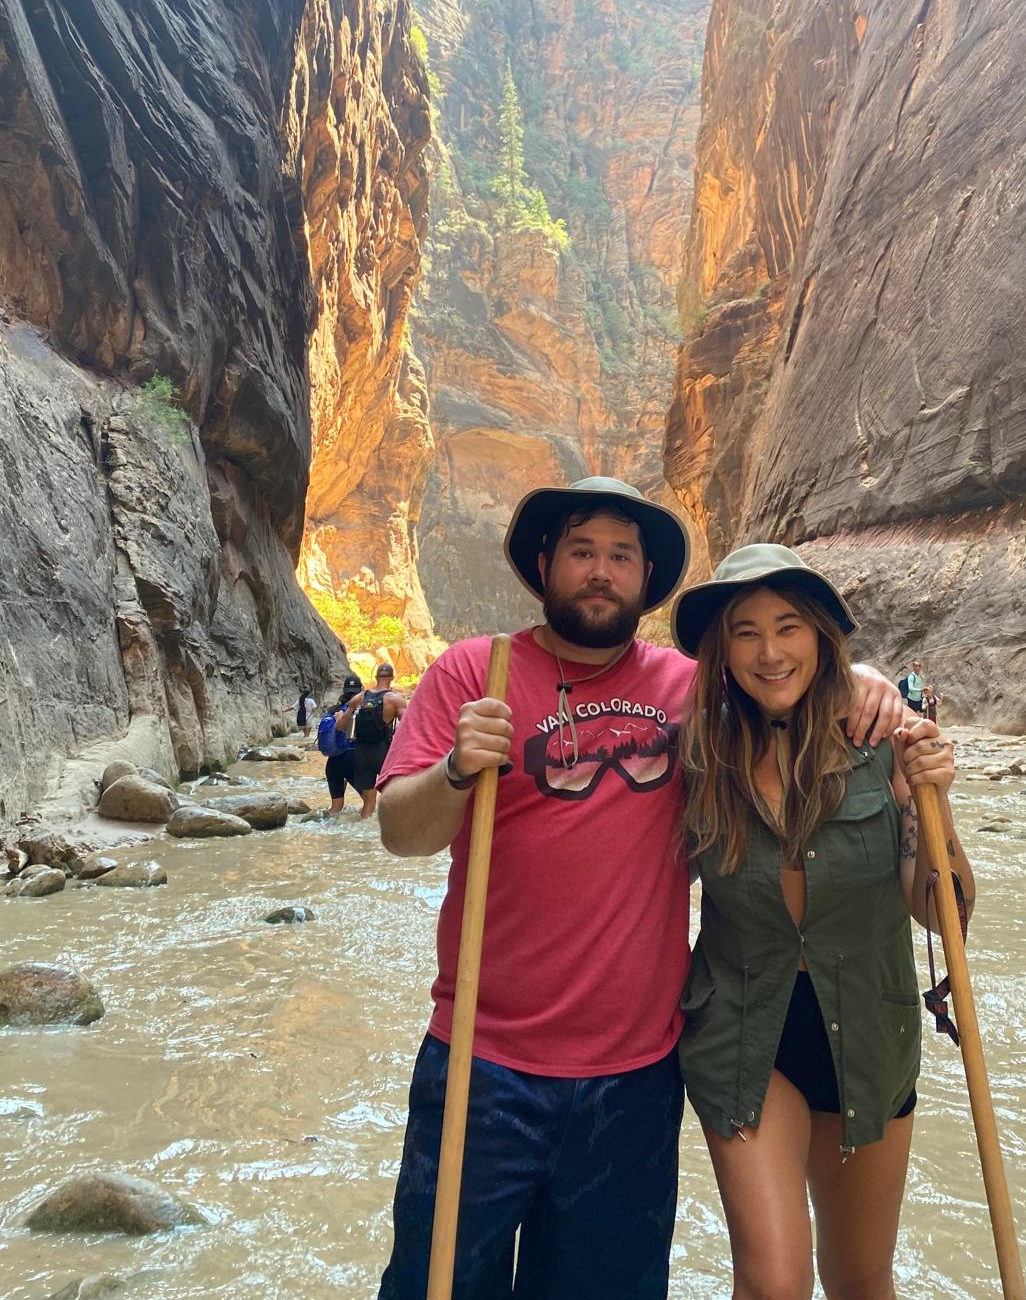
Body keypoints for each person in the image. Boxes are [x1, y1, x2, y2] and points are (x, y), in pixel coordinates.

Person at [374, 477, 907, 1299]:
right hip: (484, 1064)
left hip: (636, 1075)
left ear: (645, 576)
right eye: (582, 551)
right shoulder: (476, 671)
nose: (600, 572)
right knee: (438, 1285)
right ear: (545, 562)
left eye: (621, 556)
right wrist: (454, 770)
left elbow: (786, 676)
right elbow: (400, 832)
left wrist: (866, 678)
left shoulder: (691, 689)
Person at [673, 544, 975, 1300]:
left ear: (821, 637)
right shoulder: (697, 754)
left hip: (868, 1034)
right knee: (774, 1284)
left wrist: (932, 802)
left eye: (789, 627)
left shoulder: (884, 746)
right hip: (743, 1031)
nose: (770, 652)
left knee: (861, 1281)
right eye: (745, 632)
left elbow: (943, 915)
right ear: (722, 649)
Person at [353, 663, 407, 818]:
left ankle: (363, 833)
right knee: (391, 794)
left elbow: (341, 725)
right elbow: (405, 728)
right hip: (383, 751)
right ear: (391, 678)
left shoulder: (360, 697)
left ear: (376, 677)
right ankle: (390, 829)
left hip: (362, 751)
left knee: (369, 801)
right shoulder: (396, 699)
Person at [319, 674, 364, 814]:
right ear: (360, 691)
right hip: (353, 760)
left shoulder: (333, 710)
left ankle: (327, 832)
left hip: (333, 763)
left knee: (336, 808)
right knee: (369, 802)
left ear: (344, 690)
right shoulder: (361, 710)